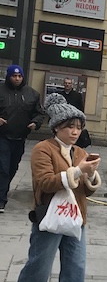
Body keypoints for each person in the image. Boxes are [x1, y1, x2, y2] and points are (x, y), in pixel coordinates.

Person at [2, 93, 101, 282]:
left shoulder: (79, 151)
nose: (75, 132)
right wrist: (78, 170)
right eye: (70, 126)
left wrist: (90, 175)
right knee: (39, 266)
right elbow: (46, 182)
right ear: (57, 126)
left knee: (76, 267)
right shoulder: (42, 149)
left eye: (78, 127)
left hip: (76, 218)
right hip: (48, 218)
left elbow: (85, 191)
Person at [0, 65, 45, 212]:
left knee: (12, 168)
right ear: (9, 76)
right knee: (3, 169)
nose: (17, 79)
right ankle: (1, 199)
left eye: (19, 76)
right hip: (3, 137)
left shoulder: (32, 94)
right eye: (14, 76)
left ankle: (2, 190)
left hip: (20, 138)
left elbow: (39, 113)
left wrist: (36, 123)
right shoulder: (1, 90)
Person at [60, 77, 90, 149]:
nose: (67, 85)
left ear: (72, 85)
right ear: (63, 84)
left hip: (73, 121)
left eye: (69, 83)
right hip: (62, 121)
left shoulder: (77, 96)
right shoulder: (59, 95)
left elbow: (81, 109)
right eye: (66, 83)